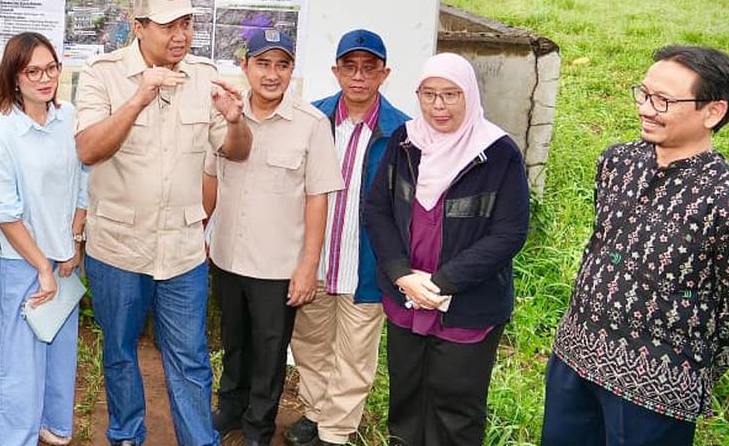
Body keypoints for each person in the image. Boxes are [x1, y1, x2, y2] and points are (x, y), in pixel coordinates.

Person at [74, 0, 251, 446]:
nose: (181, 35)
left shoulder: (205, 76)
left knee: (190, 356)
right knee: (119, 352)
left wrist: (235, 121)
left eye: (188, 24)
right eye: (169, 25)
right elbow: (88, 149)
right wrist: (138, 97)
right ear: (138, 27)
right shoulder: (102, 73)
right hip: (117, 247)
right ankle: (126, 436)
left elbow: (236, 151)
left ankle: (199, 440)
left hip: (182, 250)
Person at [542, 45, 729, 446]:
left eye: (663, 100)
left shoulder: (725, 195)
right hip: (575, 354)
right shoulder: (617, 162)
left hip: (656, 389)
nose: (646, 108)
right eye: (644, 94)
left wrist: (693, 369)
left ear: (713, 112)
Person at [362, 52, 530, 446]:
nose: (438, 106)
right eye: (429, 94)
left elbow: (508, 233)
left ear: (469, 95)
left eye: (451, 94)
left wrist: (439, 284)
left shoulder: (497, 151)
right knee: (406, 398)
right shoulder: (406, 140)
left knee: (454, 407)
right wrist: (402, 274)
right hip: (407, 296)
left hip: (464, 302)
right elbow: (377, 208)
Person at [202, 29, 343, 446]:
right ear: (245, 66)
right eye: (263, 63)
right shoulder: (224, 114)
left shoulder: (311, 125)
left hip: (277, 266)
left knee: (269, 353)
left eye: (282, 64)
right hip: (227, 256)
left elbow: (318, 199)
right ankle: (230, 407)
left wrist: (308, 265)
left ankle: (258, 427)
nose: (272, 74)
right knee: (234, 341)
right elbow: (210, 178)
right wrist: (199, 233)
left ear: (292, 70)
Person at [285, 29, 410, 446]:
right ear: (335, 71)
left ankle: (336, 431)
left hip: (366, 262)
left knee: (355, 354)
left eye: (369, 68)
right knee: (309, 343)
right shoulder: (311, 118)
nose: (359, 77)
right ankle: (315, 411)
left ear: (384, 73)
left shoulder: (403, 133)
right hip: (314, 261)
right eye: (350, 67)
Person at [0, 32, 88, 446]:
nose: (45, 79)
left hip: (63, 259)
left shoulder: (69, 118)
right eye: (33, 71)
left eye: (51, 68)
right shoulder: (3, 134)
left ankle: (53, 429)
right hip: (22, 264)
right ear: (14, 77)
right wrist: (42, 265)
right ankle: (11, 439)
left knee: (59, 357)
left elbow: (83, 182)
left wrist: (74, 242)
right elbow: (3, 212)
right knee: (18, 365)